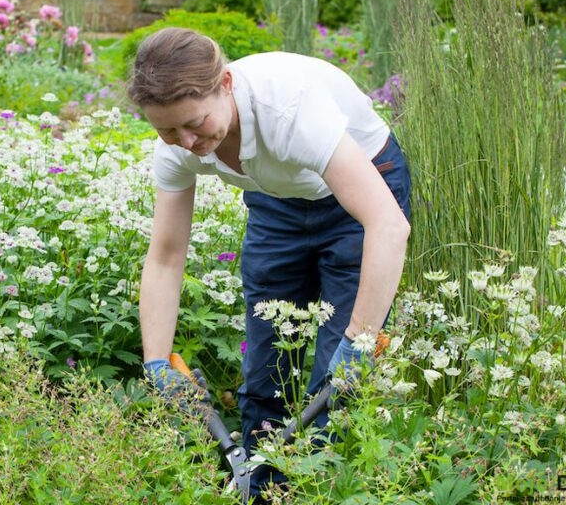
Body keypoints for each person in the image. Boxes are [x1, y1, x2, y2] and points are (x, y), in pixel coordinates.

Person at [130, 27, 411, 500]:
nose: (185, 140)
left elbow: (388, 225)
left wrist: (361, 341)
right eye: (166, 129)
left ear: (225, 85)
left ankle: (321, 490)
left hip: (363, 194)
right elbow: (165, 255)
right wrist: (156, 361)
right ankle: (261, 490)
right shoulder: (178, 145)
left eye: (194, 123)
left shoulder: (289, 111)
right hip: (277, 200)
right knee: (265, 372)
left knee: (336, 384)